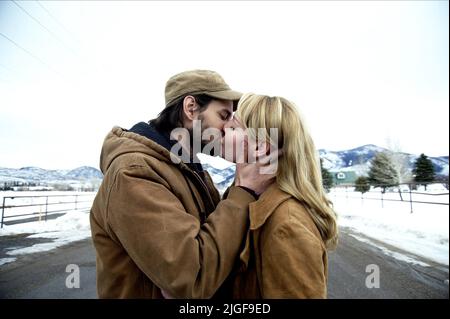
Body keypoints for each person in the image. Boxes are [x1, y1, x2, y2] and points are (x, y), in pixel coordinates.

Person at [89, 70, 276, 298]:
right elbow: (192, 278)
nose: (229, 127)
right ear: (191, 108)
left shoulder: (192, 172)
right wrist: (244, 190)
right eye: (224, 115)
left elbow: (216, 245)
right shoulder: (134, 173)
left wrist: (243, 181)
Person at [220, 93, 339, 298]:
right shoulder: (254, 202)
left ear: (260, 147)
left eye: (232, 128)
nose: (222, 128)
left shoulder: (287, 224)